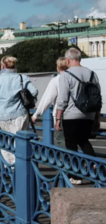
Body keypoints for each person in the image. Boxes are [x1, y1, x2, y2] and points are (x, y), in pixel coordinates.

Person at [55, 48, 100, 184]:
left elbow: (62, 99)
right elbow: (98, 97)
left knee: (71, 145)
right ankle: (96, 167)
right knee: (83, 141)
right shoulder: (92, 74)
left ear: (67, 60)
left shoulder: (66, 75)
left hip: (71, 115)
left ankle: (75, 176)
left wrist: (58, 118)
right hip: (89, 115)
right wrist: (96, 118)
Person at [0, 56, 38, 164]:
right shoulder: (23, 78)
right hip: (20, 115)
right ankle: (20, 166)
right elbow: (34, 92)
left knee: (5, 144)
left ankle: (11, 167)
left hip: (2, 117)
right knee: (19, 142)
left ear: (3, 66)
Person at [32, 57, 68, 148]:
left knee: (61, 140)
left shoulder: (56, 80)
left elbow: (47, 99)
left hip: (61, 115)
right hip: (76, 114)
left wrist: (36, 114)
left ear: (58, 67)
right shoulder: (74, 78)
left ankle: (67, 161)